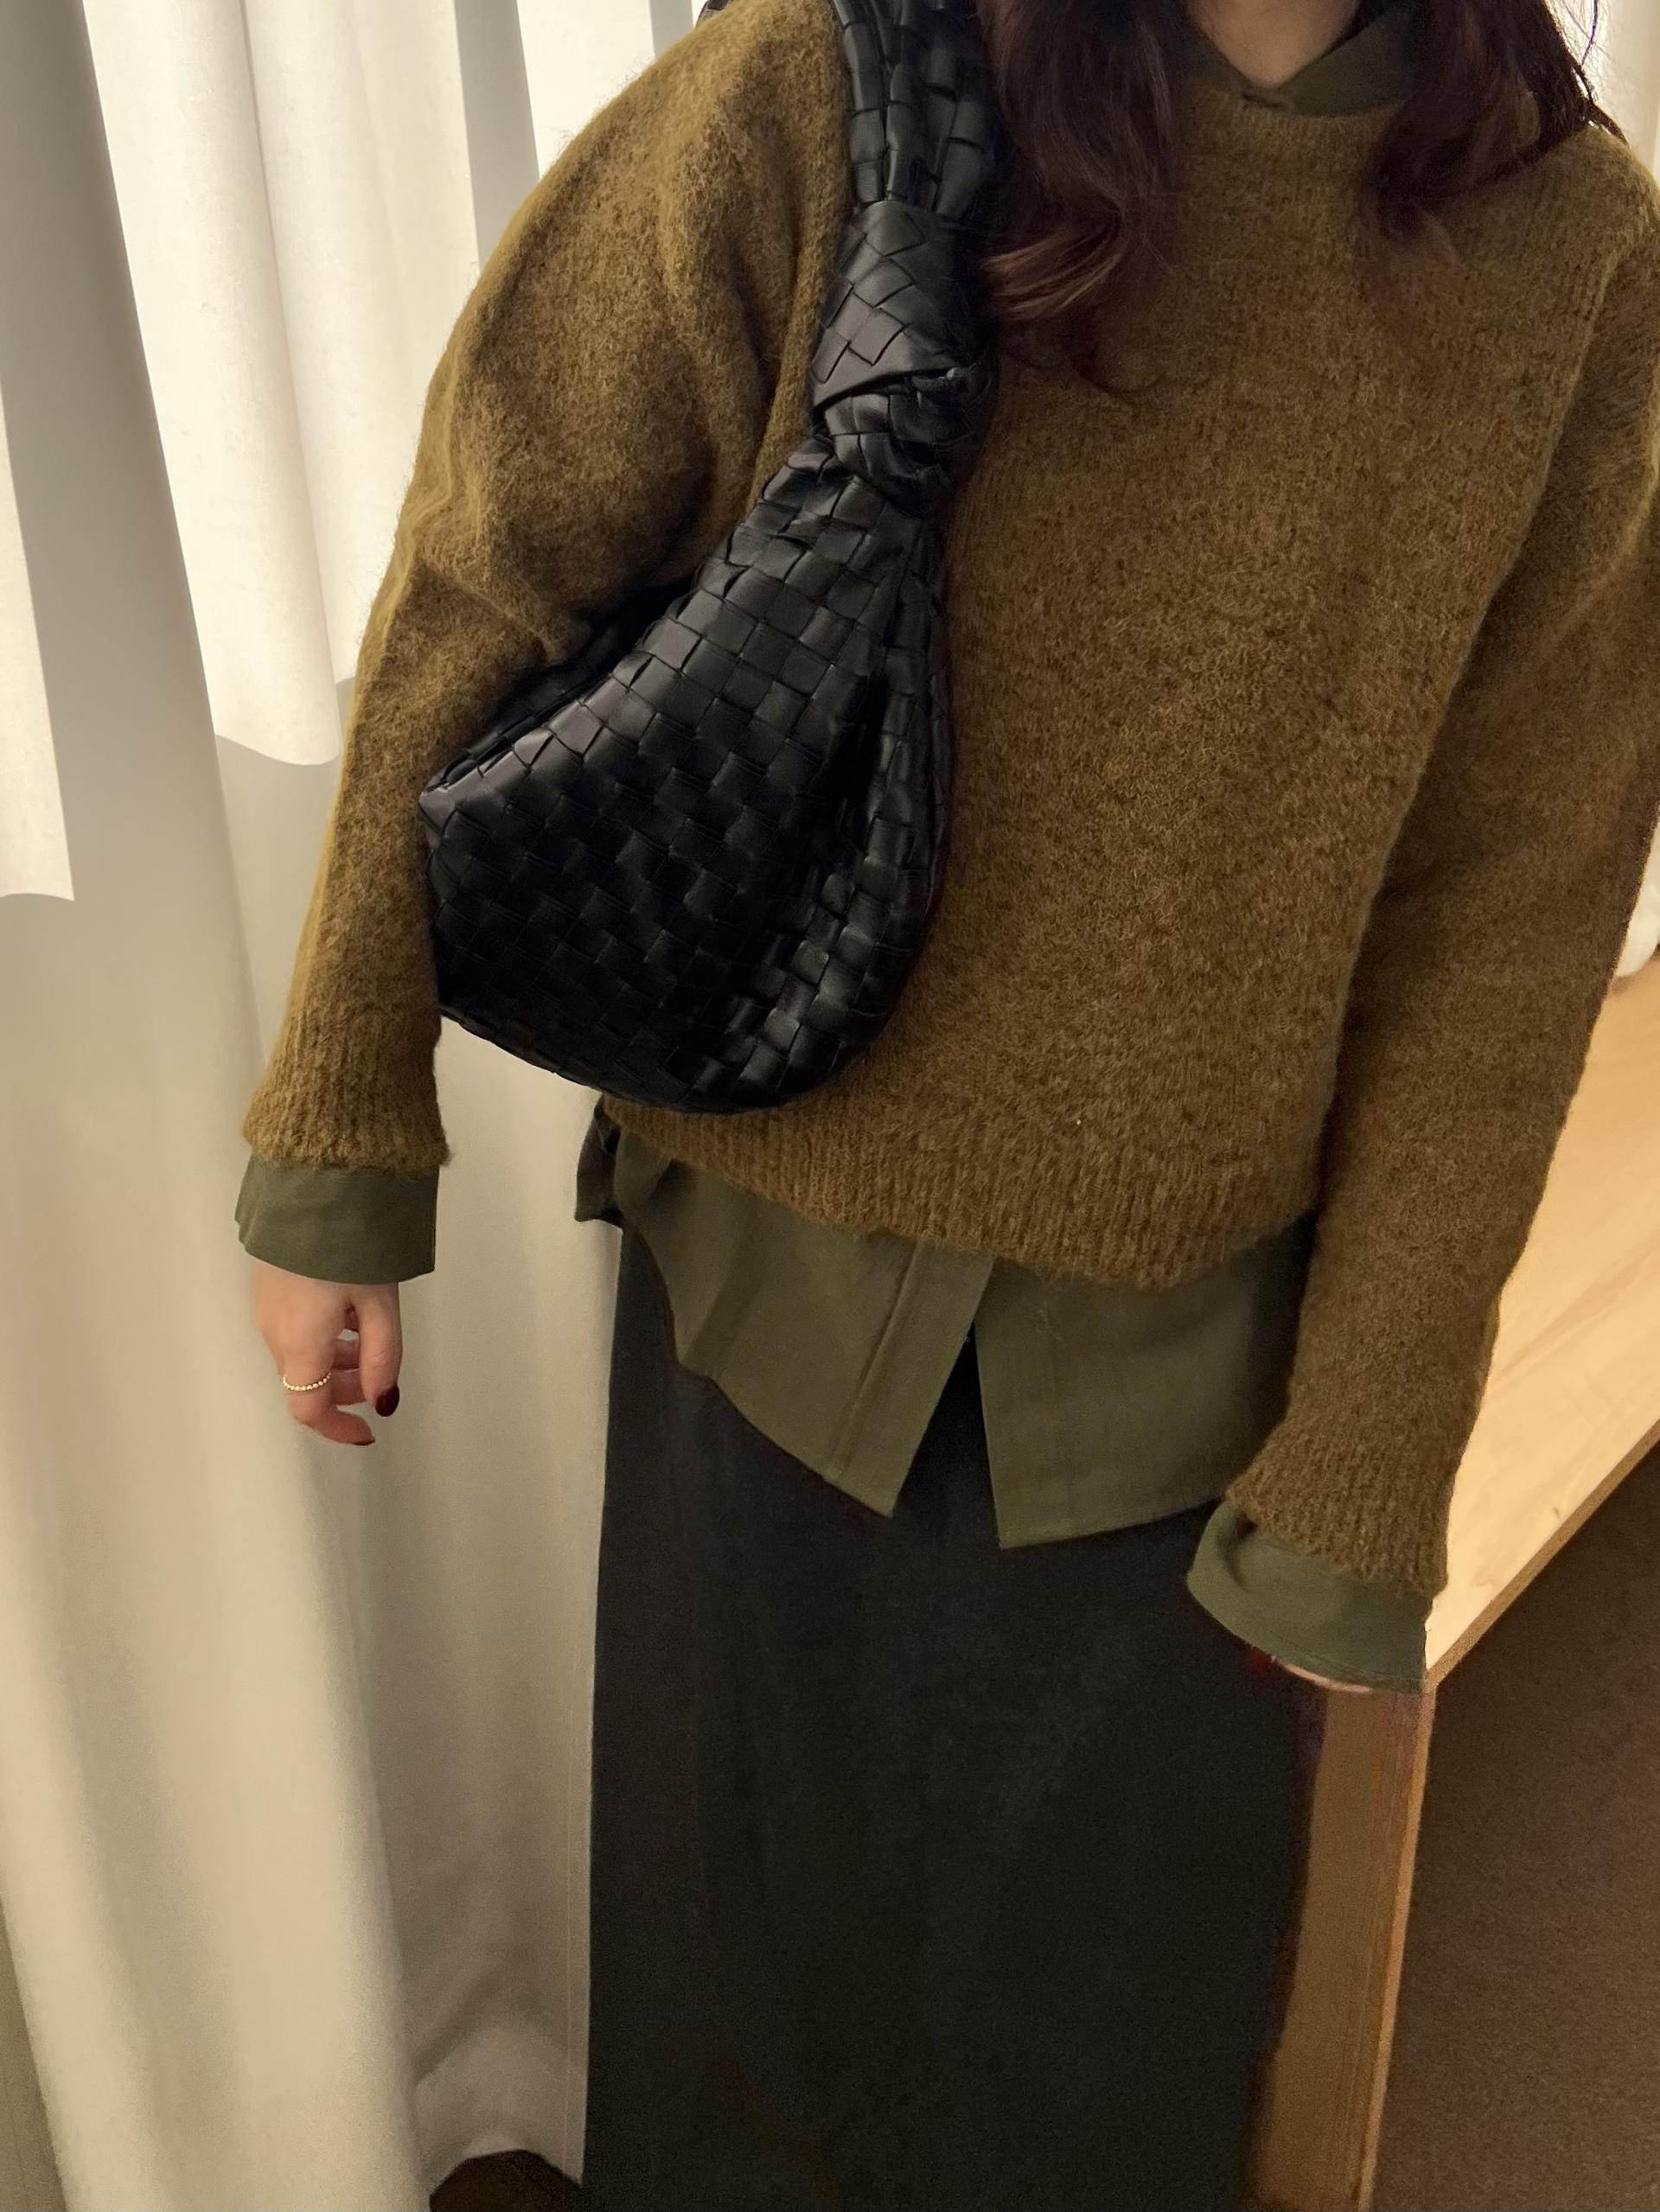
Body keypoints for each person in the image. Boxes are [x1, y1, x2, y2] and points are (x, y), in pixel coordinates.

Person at [237, 0, 1660, 2202]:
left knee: (1095, 2099)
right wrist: (339, 1123)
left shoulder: (1573, 258)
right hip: (750, 1317)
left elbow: (1510, 915)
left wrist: (1369, 1466)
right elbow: (494, 551)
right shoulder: (833, 74)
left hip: (1180, 1399)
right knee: (721, 2054)